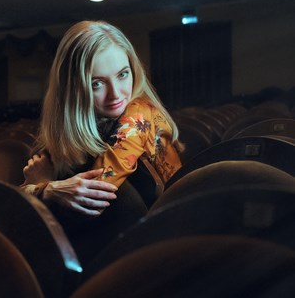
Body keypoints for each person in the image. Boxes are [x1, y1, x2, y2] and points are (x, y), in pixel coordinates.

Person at [22, 20, 183, 218]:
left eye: (123, 74)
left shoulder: (139, 114)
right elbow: (12, 207)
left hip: (161, 235)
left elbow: (91, 200)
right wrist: (46, 190)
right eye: (97, 84)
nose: (115, 94)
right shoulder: (67, 134)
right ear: (72, 90)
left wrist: (43, 186)